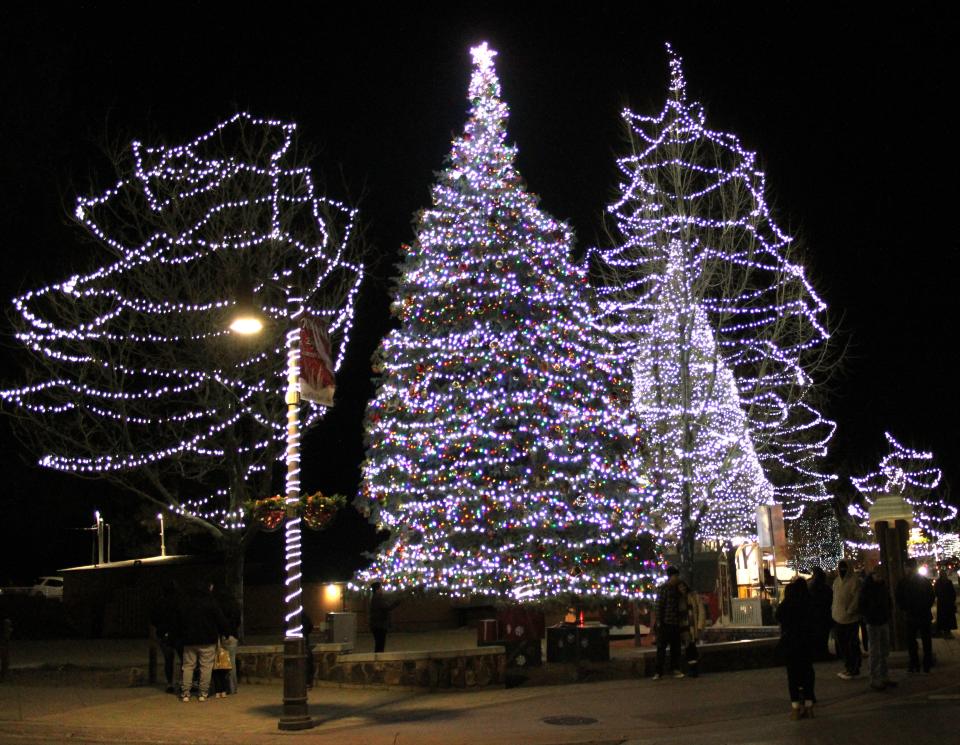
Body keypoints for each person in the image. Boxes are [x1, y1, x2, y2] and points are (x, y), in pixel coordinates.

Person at [178, 579, 229, 702]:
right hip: (208, 639)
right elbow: (220, 619)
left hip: (189, 640)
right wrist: (225, 631)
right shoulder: (211, 602)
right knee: (206, 667)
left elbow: (180, 621)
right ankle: (203, 693)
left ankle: (185, 693)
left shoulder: (186, 603)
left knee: (188, 666)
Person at [776, 577, 816, 719]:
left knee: (793, 675)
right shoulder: (808, 603)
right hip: (806, 643)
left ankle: (795, 707)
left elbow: (778, 616)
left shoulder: (786, 605)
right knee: (807, 673)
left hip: (791, 644)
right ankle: (809, 704)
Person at [859, 563, 896, 691]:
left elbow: (888, 600)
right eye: (878, 575)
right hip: (873, 622)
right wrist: (869, 615)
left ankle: (884, 676)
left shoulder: (882, 585)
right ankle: (875, 678)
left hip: (883, 620)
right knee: (875, 651)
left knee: (884, 650)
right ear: (874, 574)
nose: (880, 578)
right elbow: (862, 605)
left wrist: (888, 612)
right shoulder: (867, 587)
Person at [896, 559, 935, 673]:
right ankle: (920, 664)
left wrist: (906, 608)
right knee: (919, 641)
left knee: (919, 640)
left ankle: (919, 663)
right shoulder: (920, 581)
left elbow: (930, 596)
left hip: (916, 614)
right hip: (918, 614)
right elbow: (930, 596)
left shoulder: (907, 582)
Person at [149, 580, 183, 693]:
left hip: (164, 634)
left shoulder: (159, 602)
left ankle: (170, 683)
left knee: (168, 660)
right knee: (183, 659)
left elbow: (154, 619)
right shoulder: (180, 601)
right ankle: (183, 681)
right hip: (179, 633)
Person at [831, 559, 862, 679]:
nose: (842, 570)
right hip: (838, 617)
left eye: (844, 568)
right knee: (843, 645)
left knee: (852, 644)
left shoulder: (855, 581)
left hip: (851, 619)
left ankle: (854, 667)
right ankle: (849, 666)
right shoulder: (836, 582)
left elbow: (857, 598)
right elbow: (835, 598)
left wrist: (850, 610)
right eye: (840, 568)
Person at [653, 566, 684, 680]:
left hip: (676, 623)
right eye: (675, 576)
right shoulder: (663, 589)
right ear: (670, 576)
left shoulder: (678, 588)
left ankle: (675, 669)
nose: (677, 578)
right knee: (661, 648)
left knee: (676, 648)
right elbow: (659, 605)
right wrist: (659, 621)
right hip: (665, 623)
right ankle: (658, 671)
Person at [807, 567, 833, 660]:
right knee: (823, 635)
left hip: (815, 614)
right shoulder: (825, 586)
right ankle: (823, 652)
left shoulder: (810, 585)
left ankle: (818, 653)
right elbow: (830, 599)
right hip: (824, 613)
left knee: (817, 635)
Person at [677, 580, 703, 677]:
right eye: (679, 587)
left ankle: (694, 670)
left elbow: (701, 612)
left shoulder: (693, 597)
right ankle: (693, 669)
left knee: (691, 647)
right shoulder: (678, 599)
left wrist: (700, 626)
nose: (682, 589)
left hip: (692, 626)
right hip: (683, 628)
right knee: (688, 648)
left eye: (683, 586)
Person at [369, 582, 401, 653]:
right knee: (380, 644)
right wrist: (397, 602)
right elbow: (387, 607)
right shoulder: (378, 598)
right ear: (377, 589)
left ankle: (377, 658)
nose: (382, 589)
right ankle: (378, 659)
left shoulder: (375, 598)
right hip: (379, 625)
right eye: (381, 588)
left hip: (377, 625)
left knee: (379, 644)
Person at [934, 569, 957, 639]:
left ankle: (946, 631)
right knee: (946, 617)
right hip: (946, 603)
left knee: (945, 617)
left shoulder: (939, 583)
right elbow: (952, 593)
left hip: (944, 603)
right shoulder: (946, 582)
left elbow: (937, 593)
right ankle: (947, 632)